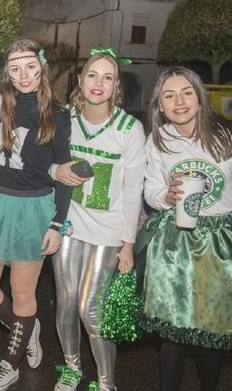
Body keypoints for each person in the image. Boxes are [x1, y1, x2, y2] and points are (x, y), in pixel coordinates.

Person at [0, 39, 72, 391]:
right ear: (7, 74)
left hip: (33, 206)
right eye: (14, 68)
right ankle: (26, 327)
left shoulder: (58, 114)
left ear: (41, 67)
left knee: (22, 291)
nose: (23, 75)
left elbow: (66, 174)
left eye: (29, 67)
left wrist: (58, 223)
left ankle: (10, 364)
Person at [50, 50, 146, 391]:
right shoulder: (65, 119)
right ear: (80, 79)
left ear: (116, 85)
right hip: (69, 225)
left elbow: (134, 191)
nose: (98, 83)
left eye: (107, 77)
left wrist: (128, 245)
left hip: (107, 232)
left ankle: (107, 382)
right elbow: (40, 157)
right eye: (92, 75)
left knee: (91, 310)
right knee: (65, 300)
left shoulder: (130, 129)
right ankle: (72, 368)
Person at [137, 66, 232, 391]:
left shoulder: (226, 136)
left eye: (186, 92)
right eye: (169, 95)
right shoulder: (158, 140)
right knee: (173, 336)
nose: (179, 102)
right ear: (159, 105)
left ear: (200, 98)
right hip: (175, 242)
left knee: (211, 331)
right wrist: (166, 195)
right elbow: (149, 189)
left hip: (219, 243)